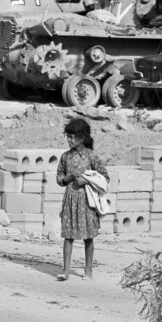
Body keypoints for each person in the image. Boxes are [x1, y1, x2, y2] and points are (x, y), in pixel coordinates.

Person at [56, 118, 109, 281]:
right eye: (68, 137)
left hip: (87, 201)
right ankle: (65, 271)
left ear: (82, 137)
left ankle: (88, 270)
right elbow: (58, 177)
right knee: (68, 235)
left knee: (88, 236)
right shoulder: (65, 157)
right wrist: (67, 179)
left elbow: (105, 177)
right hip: (70, 200)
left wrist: (86, 181)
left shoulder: (91, 157)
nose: (69, 140)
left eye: (72, 137)